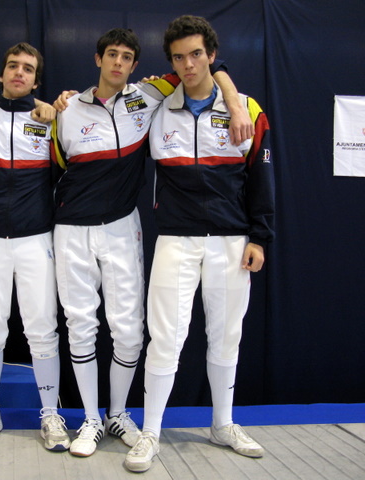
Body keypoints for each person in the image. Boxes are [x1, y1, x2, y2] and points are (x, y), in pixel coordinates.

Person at [52, 27, 253, 457]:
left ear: (135, 65)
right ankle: (90, 418)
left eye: (126, 57)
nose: (118, 63)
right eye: (111, 55)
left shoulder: (149, 97)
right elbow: (55, 167)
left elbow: (207, 68)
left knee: (129, 331)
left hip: (123, 226)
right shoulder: (67, 110)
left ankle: (118, 414)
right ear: (97, 59)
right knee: (80, 326)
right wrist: (50, 106)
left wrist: (234, 102)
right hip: (72, 229)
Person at [124, 15, 275, 473]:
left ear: (212, 55)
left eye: (196, 54)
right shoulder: (156, 107)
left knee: (226, 337)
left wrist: (260, 237)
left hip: (231, 241)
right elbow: (113, 100)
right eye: (178, 57)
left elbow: (261, 178)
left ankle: (222, 424)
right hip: (176, 240)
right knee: (165, 339)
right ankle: (150, 432)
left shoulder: (246, 109)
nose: (188, 65)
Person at [0, 42, 70, 452]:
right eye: (13, 66)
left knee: (42, 330)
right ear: (2, 74)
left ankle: (50, 414)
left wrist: (54, 108)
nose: (19, 73)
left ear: (36, 80)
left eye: (28, 68)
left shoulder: (50, 121)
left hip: (36, 239)